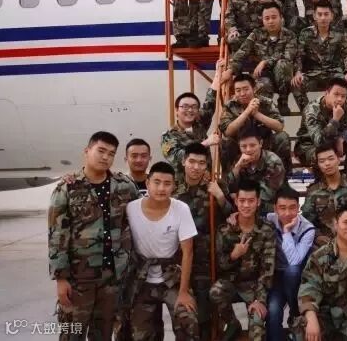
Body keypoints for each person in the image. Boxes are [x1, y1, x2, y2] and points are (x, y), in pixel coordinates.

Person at [49, 131, 139, 341]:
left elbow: (137, 218)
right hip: (79, 279)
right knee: (72, 334)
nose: (105, 157)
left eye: (111, 153)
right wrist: (61, 278)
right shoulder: (67, 188)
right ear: (87, 151)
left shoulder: (124, 186)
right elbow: (57, 236)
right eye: (101, 151)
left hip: (112, 277)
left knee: (103, 334)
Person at [125, 162, 199, 340]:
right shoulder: (131, 208)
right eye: (156, 182)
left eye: (167, 183)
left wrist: (183, 292)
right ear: (147, 183)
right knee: (140, 333)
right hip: (142, 280)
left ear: (174, 186)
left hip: (171, 277)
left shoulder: (181, 209)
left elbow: (188, 252)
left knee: (188, 319)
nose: (161, 188)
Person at [293, 203, 347, 341]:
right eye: (346, 222)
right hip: (325, 315)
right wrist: (311, 318)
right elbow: (309, 289)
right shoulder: (320, 256)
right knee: (303, 331)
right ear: (336, 224)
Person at [173, 143, 234, 340]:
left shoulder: (214, 186)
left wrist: (220, 196)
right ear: (184, 162)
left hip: (206, 261)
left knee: (204, 315)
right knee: (183, 316)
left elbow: (232, 217)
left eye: (201, 163)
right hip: (178, 261)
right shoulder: (173, 188)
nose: (196, 167)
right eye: (192, 161)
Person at [210, 180, 276, 341]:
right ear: (236, 201)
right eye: (242, 200)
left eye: (251, 201)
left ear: (258, 202)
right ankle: (233, 323)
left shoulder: (267, 230)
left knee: (257, 331)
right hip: (232, 284)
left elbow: (267, 271)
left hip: (254, 287)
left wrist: (259, 300)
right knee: (215, 291)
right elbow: (220, 265)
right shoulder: (225, 229)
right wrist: (234, 255)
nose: (246, 205)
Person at [225, 2, 296, 111]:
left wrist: (265, 62)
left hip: (283, 77)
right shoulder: (256, 34)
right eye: (267, 18)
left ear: (281, 18)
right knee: (262, 90)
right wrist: (230, 70)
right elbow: (242, 52)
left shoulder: (290, 35)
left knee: (283, 64)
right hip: (263, 75)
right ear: (262, 20)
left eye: (274, 17)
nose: (270, 21)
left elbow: (288, 56)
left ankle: (283, 101)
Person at [265, 187, 315, 340]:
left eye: (292, 208)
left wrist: (286, 232)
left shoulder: (308, 229)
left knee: (291, 271)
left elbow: (294, 261)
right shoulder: (269, 219)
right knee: (273, 311)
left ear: (299, 207)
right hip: (276, 276)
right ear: (275, 208)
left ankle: (295, 311)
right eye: (282, 208)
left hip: (298, 278)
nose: (287, 213)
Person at [301, 142, 347, 247]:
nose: (327, 163)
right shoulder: (313, 192)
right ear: (318, 164)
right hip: (326, 246)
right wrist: (317, 236)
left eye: (331, 159)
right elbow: (306, 221)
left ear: (338, 159)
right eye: (322, 161)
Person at [291, 0, 347, 111]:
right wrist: (297, 72)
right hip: (313, 73)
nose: (323, 18)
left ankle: (342, 113)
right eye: (320, 14)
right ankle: (309, 114)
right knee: (296, 84)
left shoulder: (339, 33)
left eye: (326, 14)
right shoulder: (306, 33)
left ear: (332, 16)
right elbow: (299, 55)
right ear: (314, 16)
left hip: (334, 73)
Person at [219, 73, 291, 174]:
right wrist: (247, 112)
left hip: (263, 144)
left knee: (282, 137)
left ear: (254, 88)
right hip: (241, 146)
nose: (242, 94)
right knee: (226, 142)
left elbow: (279, 127)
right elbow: (227, 131)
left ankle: (283, 176)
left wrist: (256, 114)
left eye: (246, 89)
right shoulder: (230, 105)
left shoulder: (266, 102)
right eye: (238, 90)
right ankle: (229, 178)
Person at [161, 58, 223, 174]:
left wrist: (217, 75)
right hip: (183, 184)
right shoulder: (169, 136)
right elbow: (177, 158)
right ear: (176, 110)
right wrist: (206, 143)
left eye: (194, 107)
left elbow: (210, 102)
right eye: (185, 107)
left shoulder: (199, 123)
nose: (190, 110)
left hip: (205, 181)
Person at [294, 77, 347, 173]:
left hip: (333, 142)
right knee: (324, 155)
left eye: (343, 96)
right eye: (336, 94)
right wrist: (335, 120)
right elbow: (320, 143)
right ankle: (320, 179)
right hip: (309, 147)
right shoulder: (311, 110)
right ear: (326, 93)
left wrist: (342, 138)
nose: (340, 99)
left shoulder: (345, 105)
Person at [224, 126, 287, 215]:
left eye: (252, 145)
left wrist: (240, 197)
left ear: (260, 143)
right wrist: (238, 167)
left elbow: (268, 195)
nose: (248, 150)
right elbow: (227, 186)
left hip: (268, 204)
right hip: (245, 202)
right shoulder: (239, 160)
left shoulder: (274, 162)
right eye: (244, 146)